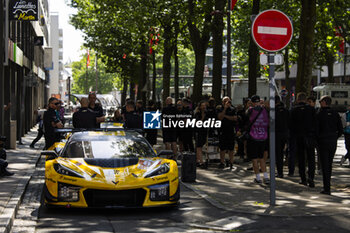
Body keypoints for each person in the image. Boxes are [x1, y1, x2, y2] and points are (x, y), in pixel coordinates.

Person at [316, 95, 343, 195]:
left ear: (324, 102)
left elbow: (317, 129)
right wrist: (334, 137)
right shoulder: (335, 113)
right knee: (329, 164)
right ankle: (328, 185)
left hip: (323, 141)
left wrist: (318, 138)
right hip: (332, 141)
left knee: (324, 165)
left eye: (320, 101)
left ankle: (326, 187)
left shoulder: (319, 114)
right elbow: (340, 129)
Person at [290, 92, 317, 187]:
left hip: (299, 137)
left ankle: (303, 178)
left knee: (301, 158)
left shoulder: (294, 110)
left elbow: (291, 125)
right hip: (310, 136)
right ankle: (311, 177)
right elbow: (315, 123)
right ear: (305, 100)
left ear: (297, 100)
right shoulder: (311, 110)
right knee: (311, 158)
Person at [246, 95, 269, 184]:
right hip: (263, 137)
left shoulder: (250, 110)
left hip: (253, 137)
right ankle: (266, 177)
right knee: (262, 158)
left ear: (252, 102)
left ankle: (258, 178)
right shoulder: (265, 110)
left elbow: (246, 120)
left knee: (254, 159)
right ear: (259, 101)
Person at [217, 97, 237, 169]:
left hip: (231, 130)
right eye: (225, 101)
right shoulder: (220, 109)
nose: (227, 102)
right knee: (222, 147)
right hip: (222, 130)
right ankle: (222, 162)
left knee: (231, 148)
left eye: (228, 101)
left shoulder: (233, 109)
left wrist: (225, 116)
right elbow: (220, 117)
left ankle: (231, 162)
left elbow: (235, 118)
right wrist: (225, 109)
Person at [275, 96, 289, 178]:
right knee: (285, 152)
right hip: (285, 133)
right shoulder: (286, 110)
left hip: (277, 134)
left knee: (278, 153)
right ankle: (287, 169)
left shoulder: (274, 111)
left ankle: (280, 172)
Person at [194, 100, 208, 168]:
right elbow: (198, 122)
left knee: (201, 145)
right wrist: (202, 117)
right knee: (199, 146)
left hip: (204, 131)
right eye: (202, 106)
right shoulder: (197, 113)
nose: (203, 107)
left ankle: (197, 160)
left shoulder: (207, 113)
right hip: (198, 131)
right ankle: (201, 162)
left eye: (204, 105)